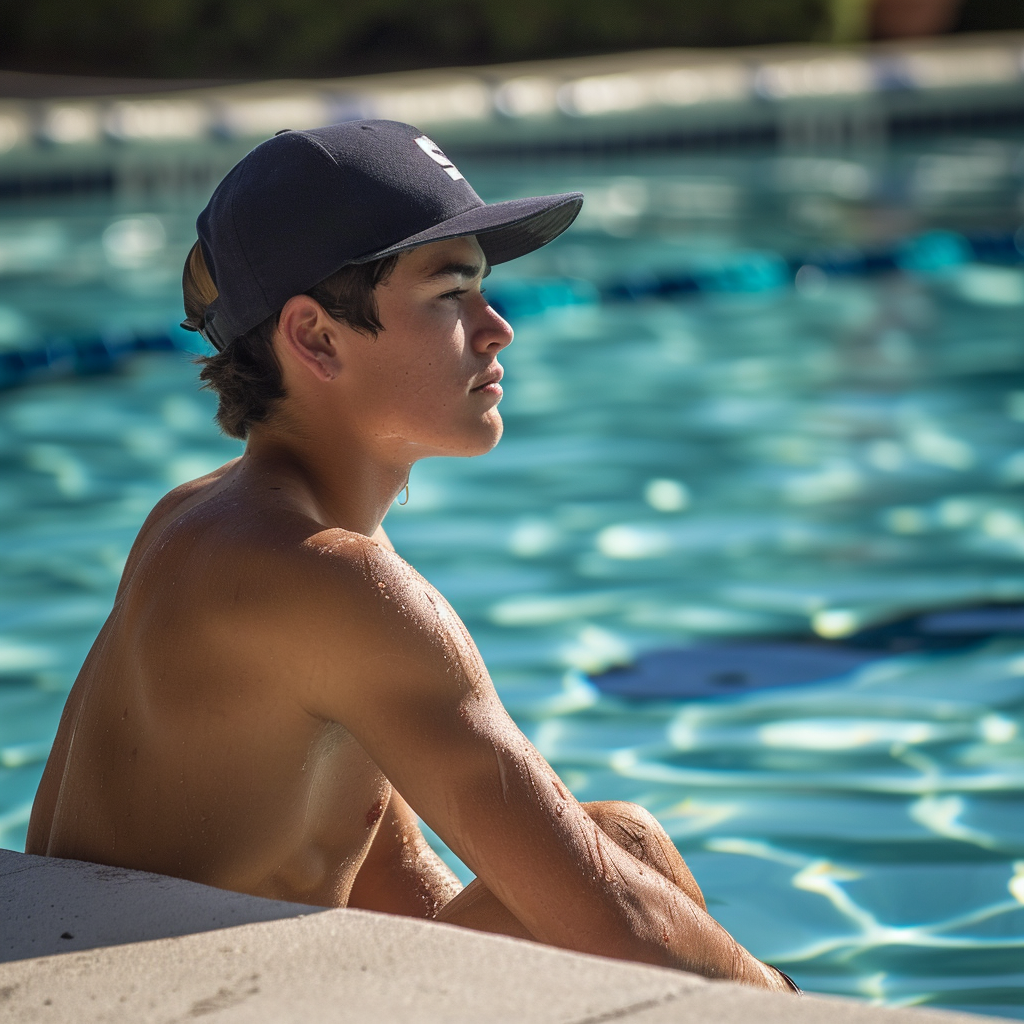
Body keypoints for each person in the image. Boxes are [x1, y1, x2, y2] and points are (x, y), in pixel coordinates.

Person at [27, 120, 796, 993]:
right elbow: (615, 925)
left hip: (170, 993)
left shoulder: (211, 522)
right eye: (449, 293)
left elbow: (396, 903)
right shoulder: (324, 580)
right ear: (316, 338)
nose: (498, 329)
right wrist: (793, 1004)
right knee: (624, 851)